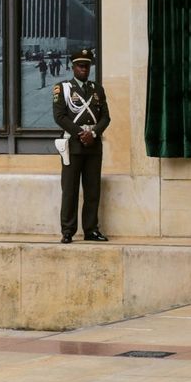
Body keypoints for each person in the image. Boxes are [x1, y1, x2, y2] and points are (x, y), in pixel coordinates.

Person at [53, 49, 111, 243]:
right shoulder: (63, 88)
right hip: (72, 145)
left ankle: (91, 230)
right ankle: (68, 230)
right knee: (69, 190)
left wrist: (93, 134)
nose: (83, 69)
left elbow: (105, 117)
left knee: (92, 190)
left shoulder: (97, 89)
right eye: (80, 65)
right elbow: (60, 117)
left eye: (86, 66)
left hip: (93, 145)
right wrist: (81, 133)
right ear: (73, 67)